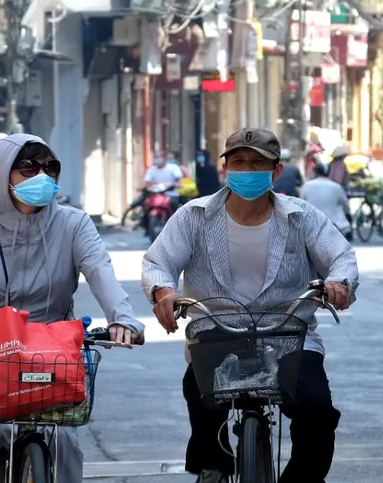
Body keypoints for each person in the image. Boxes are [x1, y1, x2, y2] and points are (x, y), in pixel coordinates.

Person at [0, 134, 144, 483]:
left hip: (52, 351)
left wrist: (123, 320)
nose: (42, 176)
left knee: (63, 438)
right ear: (1, 175)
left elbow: (102, 273)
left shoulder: (74, 224)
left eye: (50, 168)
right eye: (28, 167)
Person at [142, 127, 359, 483]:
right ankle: (214, 465)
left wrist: (338, 283)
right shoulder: (193, 216)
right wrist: (163, 292)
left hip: (289, 334)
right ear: (225, 167)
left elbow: (341, 256)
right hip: (217, 333)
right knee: (198, 394)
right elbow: (158, 263)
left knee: (318, 410)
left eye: (258, 163)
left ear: (275, 171)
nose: (247, 170)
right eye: (239, 162)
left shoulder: (302, 217)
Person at [302, 162, 353, 241]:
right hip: (335, 224)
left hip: (311, 224)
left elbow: (300, 203)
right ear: (329, 172)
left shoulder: (306, 186)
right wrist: (348, 216)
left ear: (316, 171)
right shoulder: (336, 187)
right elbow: (345, 205)